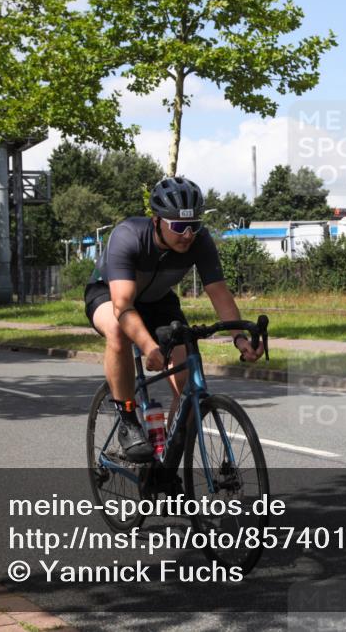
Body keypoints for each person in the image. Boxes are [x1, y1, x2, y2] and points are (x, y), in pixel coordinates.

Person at [84, 176, 264, 462]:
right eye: (179, 226)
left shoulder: (199, 241)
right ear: (157, 220)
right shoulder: (128, 235)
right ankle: (128, 420)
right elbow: (123, 306)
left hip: (159, 301)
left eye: (194, 225)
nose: (188, 235)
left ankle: (166, 460)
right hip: (110, 295)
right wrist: (148, 346)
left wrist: (239, 338)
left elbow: (218, 292)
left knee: (188, 383)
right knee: (118, 333)